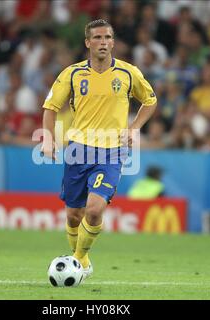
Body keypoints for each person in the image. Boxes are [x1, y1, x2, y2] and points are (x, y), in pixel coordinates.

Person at [41, 19, 157, 279]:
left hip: (111, 151)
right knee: (73, 215)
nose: (103, 42)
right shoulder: (71, 74)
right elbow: (49, 108)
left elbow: (150, 101)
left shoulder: (129, 73)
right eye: (97, 38)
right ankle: (80, 258)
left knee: (94, 210)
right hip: (78, 150)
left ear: (113, 42)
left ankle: (79, 261)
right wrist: (48, 140)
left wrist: (135, 127)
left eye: (107, 38)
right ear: (87, 43)